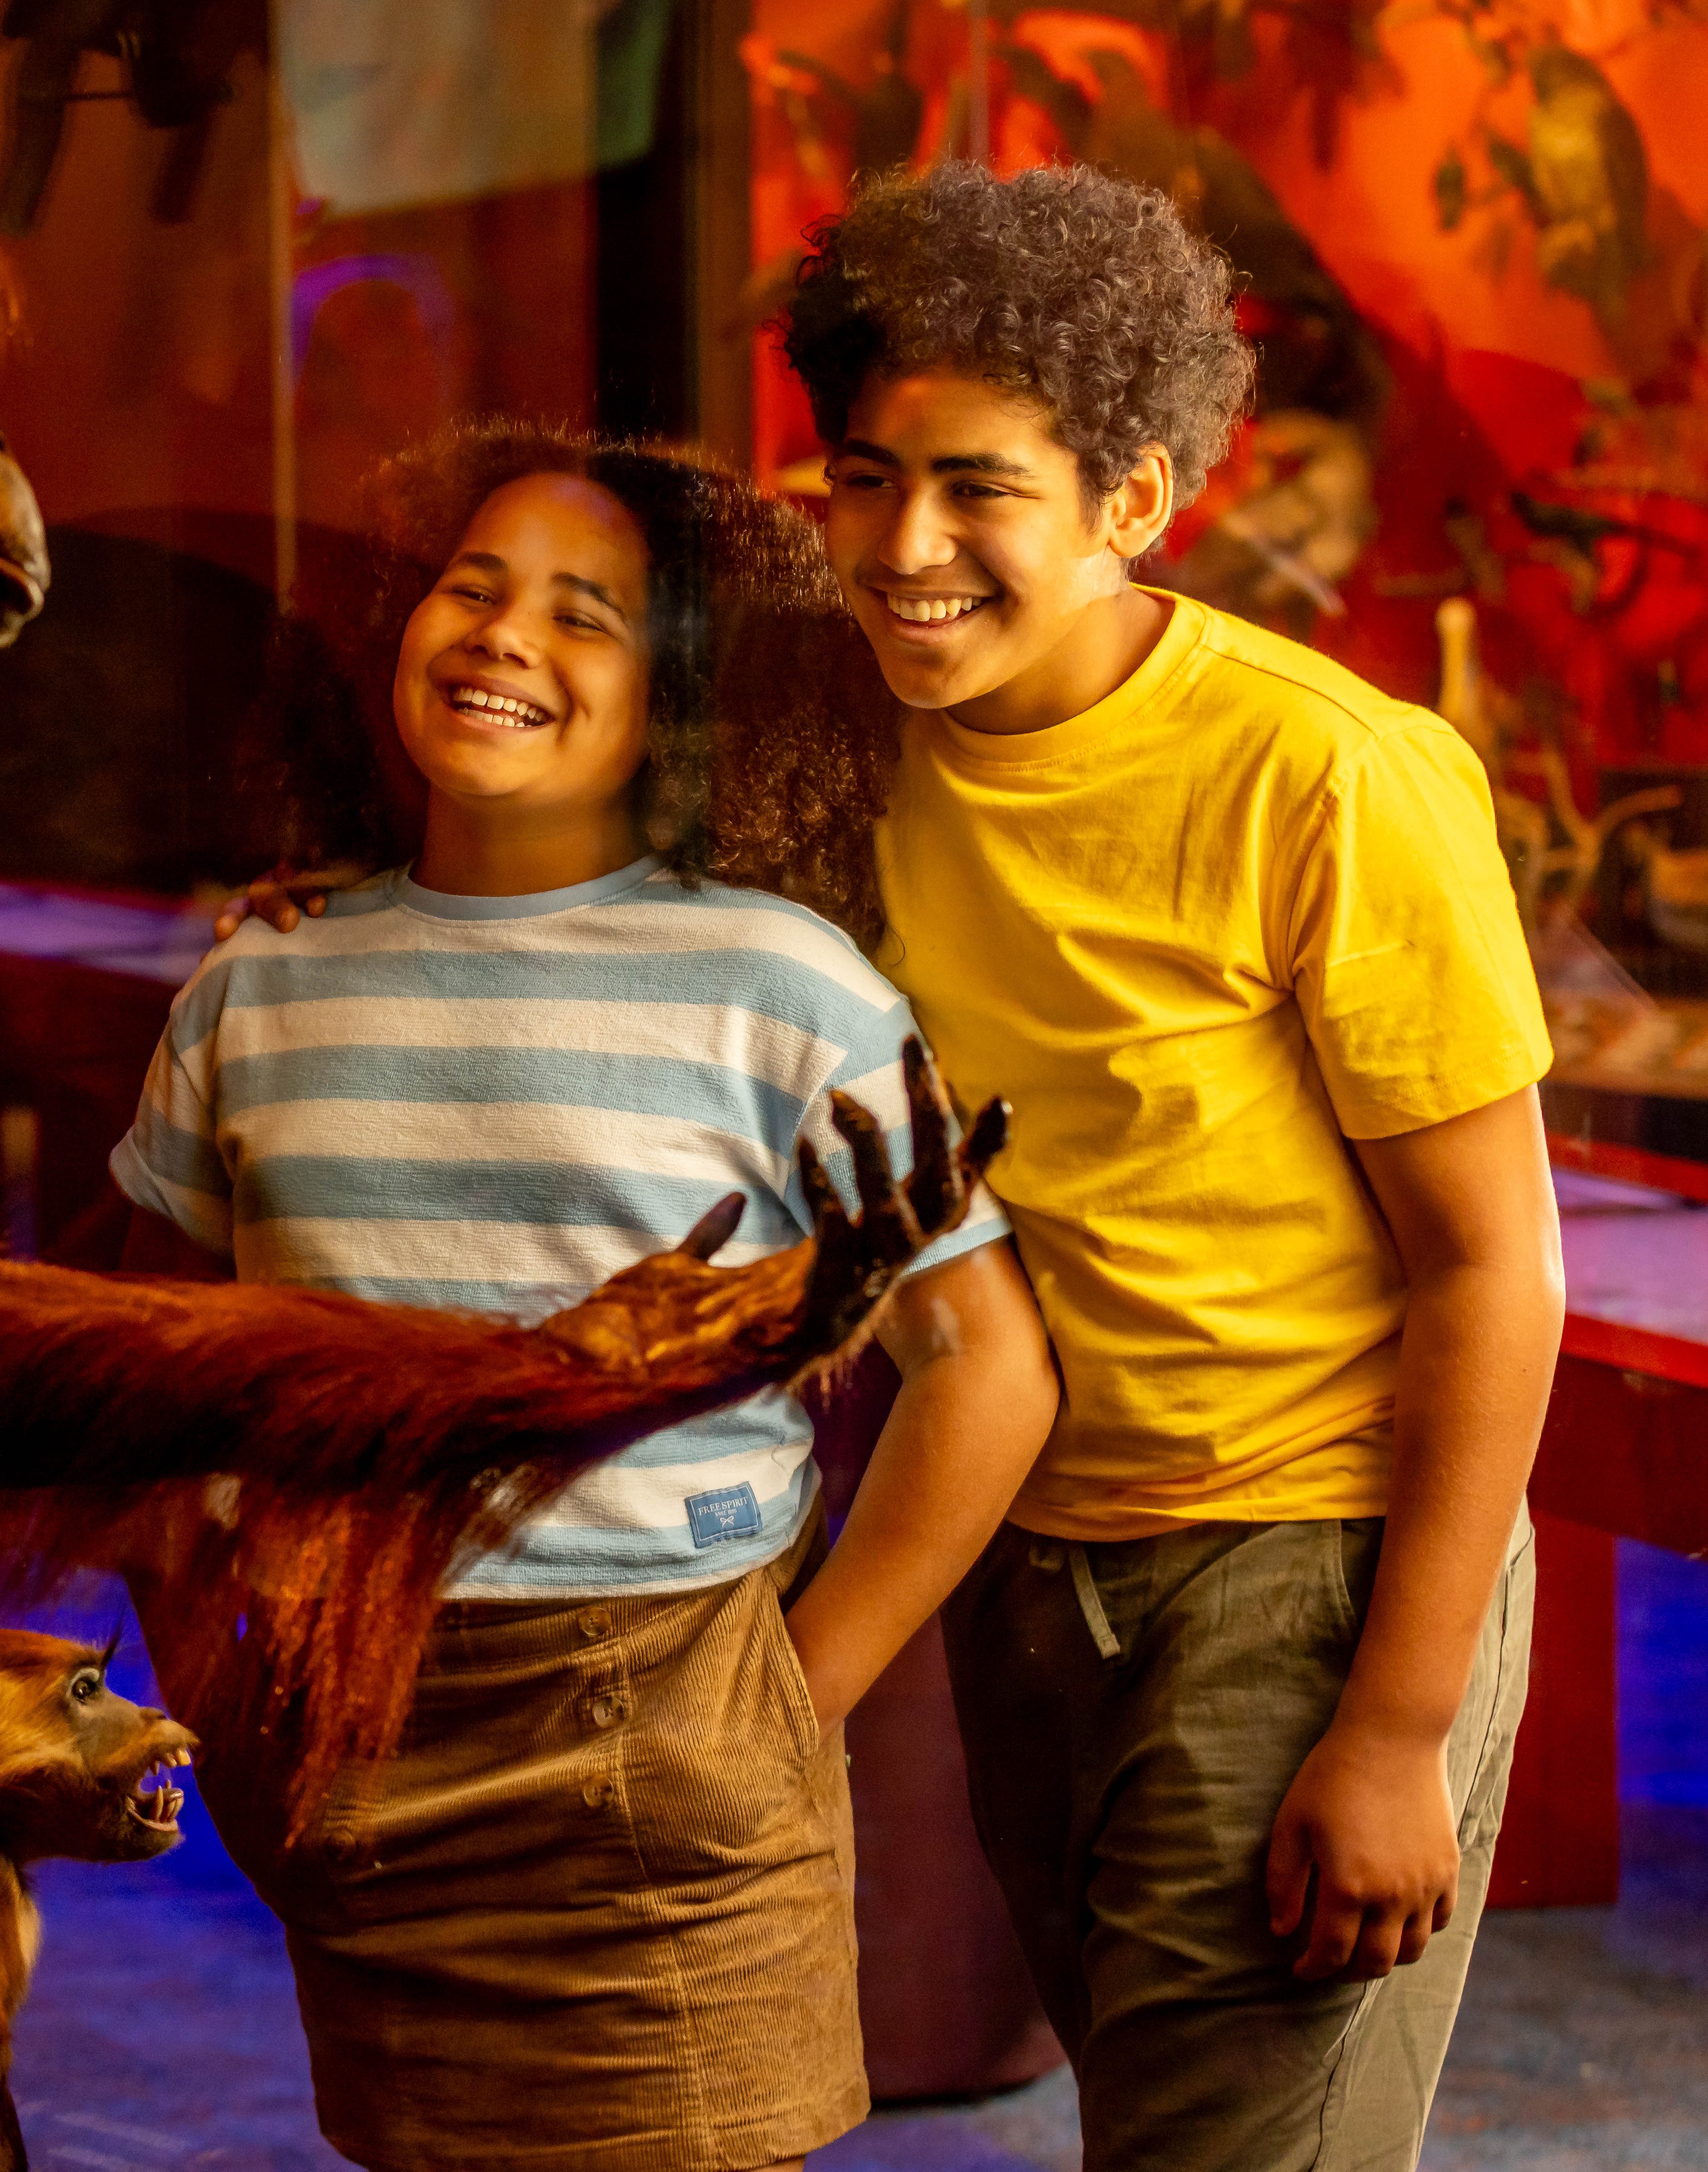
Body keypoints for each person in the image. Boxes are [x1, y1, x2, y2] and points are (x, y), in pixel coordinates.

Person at [117, 420, 1058, 2172]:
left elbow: (985, 1366)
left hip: (670, 1717)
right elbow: (161, 1370)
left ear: (681, 701)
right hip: (356, 1724)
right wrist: (206, 1678)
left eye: (584, 615)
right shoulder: (263, 979)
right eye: (470, 589)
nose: (501, 637)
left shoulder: (779, 985)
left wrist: (797, 1689)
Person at [782, 163, 1562, 2169]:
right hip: (1032, 1569)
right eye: (863, 479)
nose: (904, 546)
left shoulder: (1325, 771)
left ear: (1134, 498)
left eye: (977, 490)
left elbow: (1493, 1267)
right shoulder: (842, 743)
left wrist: (1393, 1727)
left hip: (1302, 1568)